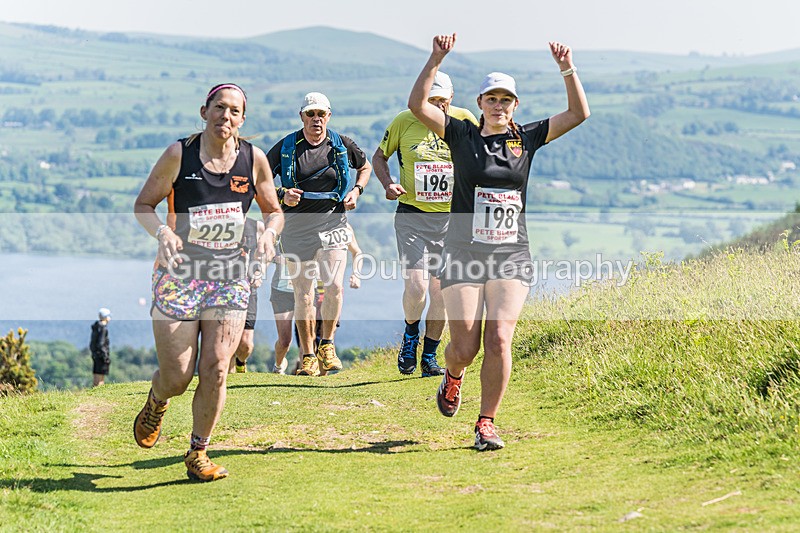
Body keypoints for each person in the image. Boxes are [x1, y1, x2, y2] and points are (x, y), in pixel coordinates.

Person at [408, 34, 589, 450]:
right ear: (480, 103)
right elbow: (418, 105)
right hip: (464, 255)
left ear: (515, 106)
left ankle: (486, 421)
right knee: (465, 348)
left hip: (511, 254)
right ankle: (453, 377)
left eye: (506, 100)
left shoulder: (526, 139)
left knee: (500, 339)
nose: (499, 106)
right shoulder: (461, 134)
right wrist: (436, 58)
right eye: (492, 99)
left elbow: (579, 113)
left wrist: (567, 67)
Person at [132, 83, 283, 481]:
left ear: (243, 119)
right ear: (204, 111)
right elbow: (144, 205)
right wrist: (162, 233)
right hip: (179, 276)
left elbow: (274, 211)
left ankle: (198, 451)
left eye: (234, 111)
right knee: (179, 376)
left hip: (229, 277)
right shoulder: (179, 154)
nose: (226, 117)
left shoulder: (254, 159)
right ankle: (157, 399)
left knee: (217, 368)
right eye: (219, 108)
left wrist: (269, 234)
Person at [372, 71, 478, 378]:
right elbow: (379, 157)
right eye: (432, 101)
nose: (438, 109)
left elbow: (482, 156)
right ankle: (410, 336)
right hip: (413, 217)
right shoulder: (404, 121)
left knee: (441, 291)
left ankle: (429, 356)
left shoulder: (465, 119)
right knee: (417, 286)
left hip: (452, 219)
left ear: (451, 100)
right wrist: (388, 183)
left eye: (443, 102)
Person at [267, 92, 371, 377]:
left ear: (329, 115)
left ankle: (328, 344)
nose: (316, 119)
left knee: (335, 286)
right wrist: (281, 194)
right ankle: (309, 353)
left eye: (321, 114)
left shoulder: (341, 144)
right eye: (310, 114)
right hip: (296, 229)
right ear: (302, 117)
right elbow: (260, 179)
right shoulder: (287, 146)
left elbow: (365, 167)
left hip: (333, 224)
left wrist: (356, 191)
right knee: (304, 294)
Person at [230, 218, 265, 374]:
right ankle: (225, 381)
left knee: (246, 345)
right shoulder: (222, 223)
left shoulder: (256, 226)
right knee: (226, 341)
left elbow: (264, 254)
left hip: (248, 289)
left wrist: (259, 273)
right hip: (224, 290)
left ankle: (240, 363)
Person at [90, 307, 112, 387]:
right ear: (106, 317)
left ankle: (94, 392)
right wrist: (105, 356)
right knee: (100, 379)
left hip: (95, 354)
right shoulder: (103, 329)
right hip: (101, 356)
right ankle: (98, 394)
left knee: (96, 376)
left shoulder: (96, 327)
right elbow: (101, 343)